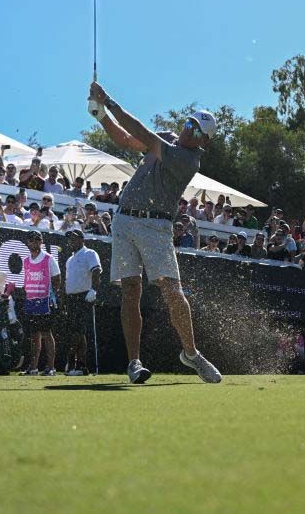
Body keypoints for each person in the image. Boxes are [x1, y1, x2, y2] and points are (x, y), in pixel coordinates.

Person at [88, 81, 222, 384]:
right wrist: (101, 116)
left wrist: (107, 100)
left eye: (197, 130)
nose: (190, 130)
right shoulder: (168, 139)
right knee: (131, 290)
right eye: (190, 123)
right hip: (124, 221)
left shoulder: (188, 159)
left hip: (156, 226)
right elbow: (126, 139)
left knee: (172, 291)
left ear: (204, 142)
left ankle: (191, 354)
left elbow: (142, 133)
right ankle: (134, 363)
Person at [20, 231, 62, 376]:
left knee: (46, 333)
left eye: (37, 240)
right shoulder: (26, 261)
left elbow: (57, 279)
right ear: (28, 243)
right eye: (31, 240)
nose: (34, 242)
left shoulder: (48, 259)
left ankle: (50, 367)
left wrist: (52, 296)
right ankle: (33, 367)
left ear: (41, 242)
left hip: (45, 302)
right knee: (33, 335)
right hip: (31, 301)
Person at [62, 229, 101, 376]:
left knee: (78, 332)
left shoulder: (89, 253)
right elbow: (68, 281)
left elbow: (96, 272)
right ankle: (80, 366)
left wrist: (94, 290)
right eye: (69, 239)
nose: (71, 241)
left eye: (74, 238)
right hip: (71, 298)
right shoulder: (69, 260)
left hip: (84, 296)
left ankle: (76, 364)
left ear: (81, 240)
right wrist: (64, 300)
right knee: (76, 332)